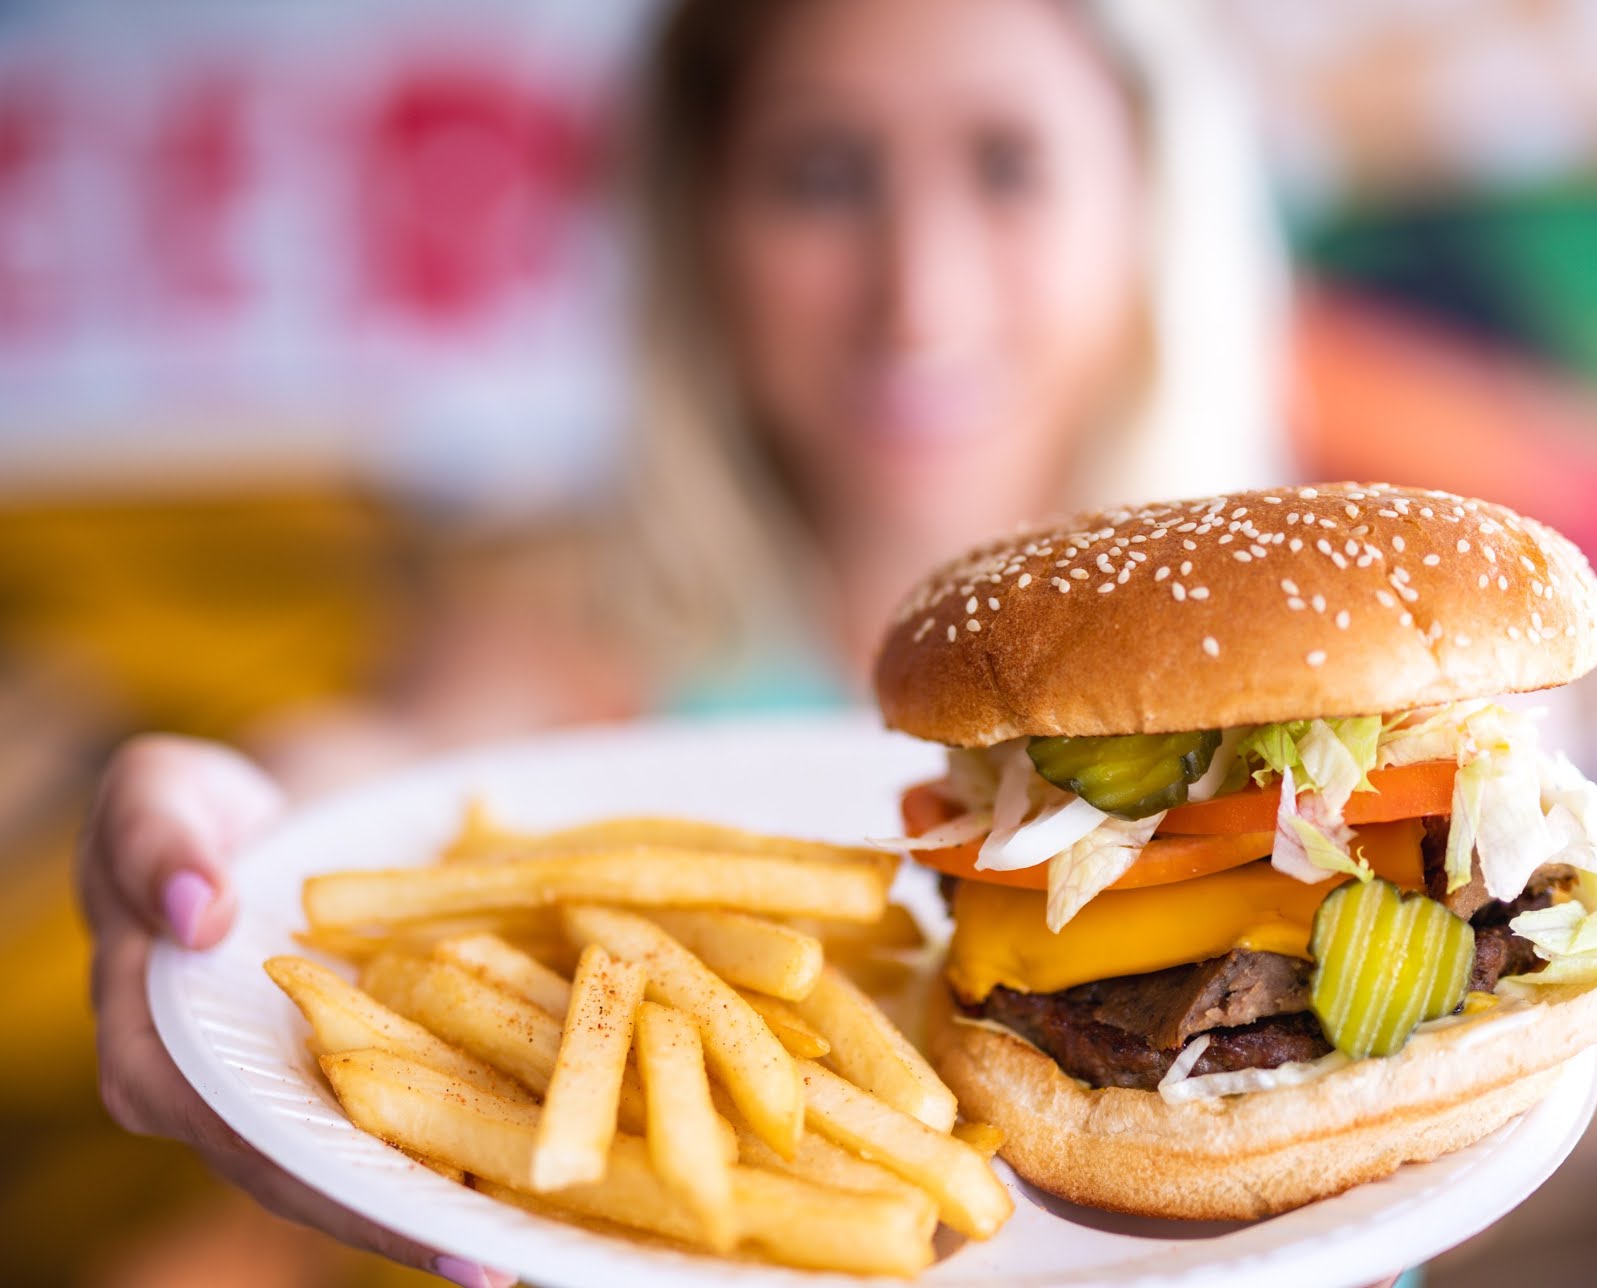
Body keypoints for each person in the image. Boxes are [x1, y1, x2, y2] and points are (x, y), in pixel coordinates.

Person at [77, 1, 1288, 1284]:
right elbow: (376, 780)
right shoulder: (559, 617)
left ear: (1147, 196)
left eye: (1008, 165)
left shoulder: (1299, 645)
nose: (920, 295)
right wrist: (239, 831)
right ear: (700, 219)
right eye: (821, 174)